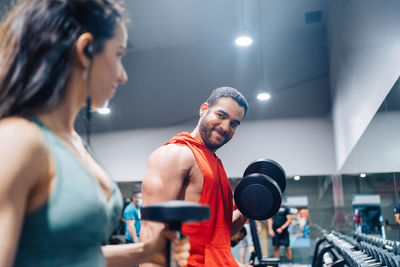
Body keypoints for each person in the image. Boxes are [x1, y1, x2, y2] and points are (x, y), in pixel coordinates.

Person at [0, 0, 190, 266]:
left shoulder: (74, 143)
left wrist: (145, 252)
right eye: (119, 55)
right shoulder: (18, 140)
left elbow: (76, 256)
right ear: (86, 48)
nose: (123, 76)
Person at [140, 87, 251, 267]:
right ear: (203, 109)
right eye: (221, 115)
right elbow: (151, 233)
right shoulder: (175, 155)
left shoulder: (216, 166)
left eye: (234, 123)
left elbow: (222, 233)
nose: (225, 127)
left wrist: (249, 209)